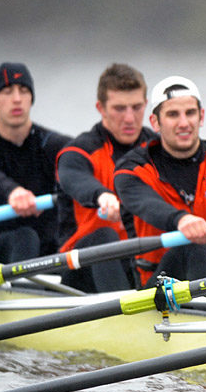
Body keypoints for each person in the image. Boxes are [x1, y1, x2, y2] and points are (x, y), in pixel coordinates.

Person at [114, 76, 206, 286]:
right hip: (159, 284)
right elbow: (146, 204)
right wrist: (182, 219)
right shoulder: (131, 170)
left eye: (190, 113)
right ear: (155, 122)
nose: (184, 123)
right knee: (195, 243)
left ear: (201, 116)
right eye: (172, 115)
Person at [55, 63, 156, 292]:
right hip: (83, 269)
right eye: (119, 108)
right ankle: (125, 319)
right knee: (105, 235)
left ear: (146, 105)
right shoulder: (78, 152)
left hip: (139, 259)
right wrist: (102, 195)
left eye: (136, 107)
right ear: (101, 108)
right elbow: (73, 178)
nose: (129, 118)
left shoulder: (158, 149)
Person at [0, 62, 69, 263]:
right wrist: (13, 192)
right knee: (25, 236)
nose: (17, 99)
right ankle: (25, 290)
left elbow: (81, 164)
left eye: (24, 91)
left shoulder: (59, 146)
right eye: (7, 92)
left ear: (31, 99)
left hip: (50, 256)